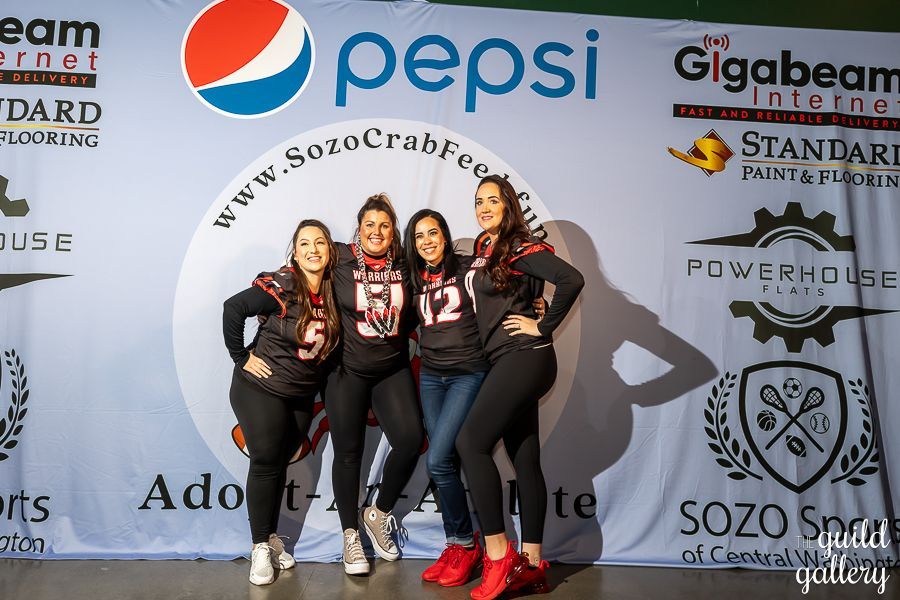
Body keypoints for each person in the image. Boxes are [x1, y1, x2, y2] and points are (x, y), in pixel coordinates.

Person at [456, 175, 585, 600]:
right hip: (510, 361)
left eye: (493, 200)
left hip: (525, 357)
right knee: (525, 459)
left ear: (509, 205)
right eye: (479, 201)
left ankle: (499, 556)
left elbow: (571, 279)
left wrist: (543, 325)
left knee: (470, 443)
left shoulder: (518, 246)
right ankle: (532, 566)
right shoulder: (485, 247)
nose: (484, 207)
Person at [222, 219, 340, 586]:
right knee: (265, 461)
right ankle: (259, 546)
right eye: (304, 243)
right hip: (260, 388)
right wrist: (241, 356)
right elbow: (233, 307)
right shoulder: (283, 285)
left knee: (279, 464)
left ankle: (271, 536)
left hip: (300, 393)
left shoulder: (336, 288)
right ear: (295, 253)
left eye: (319, 242)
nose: (312, 249)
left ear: (330, 250)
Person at [324, 193, 425, 575]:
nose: (377, 231)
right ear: (359, 228)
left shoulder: (405, 263)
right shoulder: (340, 257)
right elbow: (302, 266)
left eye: (384, 225)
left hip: (391, 369)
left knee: (410, 439)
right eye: (370, 224)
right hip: (346, 370)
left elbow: (426, 299)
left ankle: (378, 513)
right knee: (348, 453)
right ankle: (350, 535)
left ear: (393, 231)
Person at [403, 209, 488, 587]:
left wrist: (538, 306)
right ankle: (455, 544)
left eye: (432, 233)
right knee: (443, 463)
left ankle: (467, 543)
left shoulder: (468, 267)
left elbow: (508, 286)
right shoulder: (413, 278)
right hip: (432, 378)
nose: (427, 241)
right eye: (419, 236)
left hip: (467, 374)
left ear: (445, 235)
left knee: (438, 460)